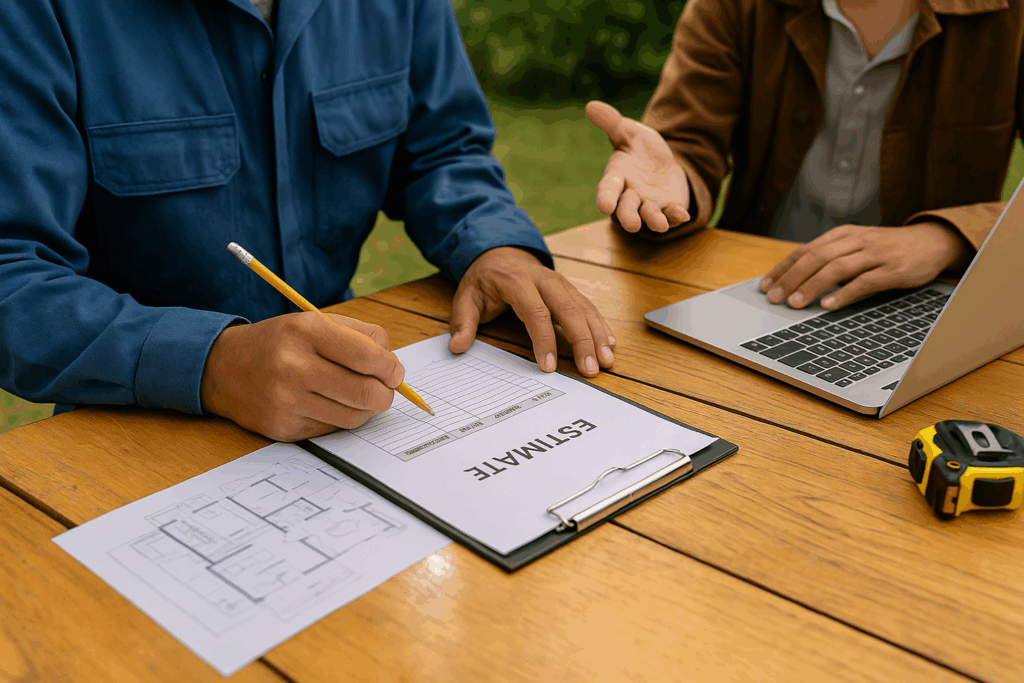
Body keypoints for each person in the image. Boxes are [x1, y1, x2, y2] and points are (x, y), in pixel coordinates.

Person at [0, 0, 615, 441]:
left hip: (352, 410)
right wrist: (212, 363)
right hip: (137, 439)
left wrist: (493, 245)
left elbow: (442, 150)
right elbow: (11, 273)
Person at [587, 0, 1020, 311]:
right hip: (753, 291)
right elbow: (684, 147)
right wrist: (669, 187)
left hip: (919, 301)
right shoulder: (733, 8)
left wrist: (945, 239)